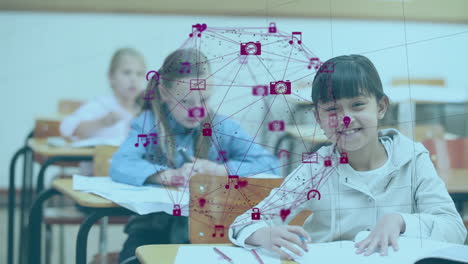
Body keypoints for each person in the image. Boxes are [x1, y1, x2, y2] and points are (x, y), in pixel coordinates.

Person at [228, 55, 467, 260]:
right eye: (332, 110)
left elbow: (455, 230)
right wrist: (262, 233)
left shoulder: (413, 158)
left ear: (381, 107)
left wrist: (401, 221)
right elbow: (243, 223)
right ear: (318, 118)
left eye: (358, 105)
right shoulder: (315, 169)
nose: (344, 119)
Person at [110, 48, 280, 264]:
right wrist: (166, 175)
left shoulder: (222, 127)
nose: (197, 111)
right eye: (186, 102)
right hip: (153, 228)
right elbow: (121, 163)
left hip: (213, 230)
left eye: (204, 100)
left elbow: (270, 165)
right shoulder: (148, 124)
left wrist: (219, 170)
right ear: (164, 94)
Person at [59, 48, 146, 175]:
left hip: (132, 178)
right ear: (111, 77)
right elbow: (66, 127)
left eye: (139, 74)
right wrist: (101, 122)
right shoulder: (101, 105)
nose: (134, 79)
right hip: (96, 177)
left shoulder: (144, 111)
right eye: (127, 73)